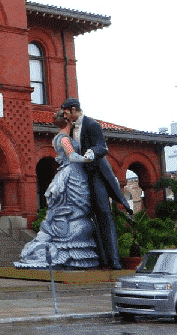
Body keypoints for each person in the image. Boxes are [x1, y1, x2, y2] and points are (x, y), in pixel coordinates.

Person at [15, 112, 100, 269]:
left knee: (74, 203)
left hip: (70, 172)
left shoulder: (59, 138)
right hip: (73, 171)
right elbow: (72, 156)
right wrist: (87, 158)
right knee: (74, 202)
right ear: (68, 122)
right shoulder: (64, 138)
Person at [61, 97, 131, 270]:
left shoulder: (92, 125)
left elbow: (103, 147)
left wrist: (92, 151)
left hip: (96, 175)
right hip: (80, 177)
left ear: (73, 110)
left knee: (103, 214)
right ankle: (97, 259)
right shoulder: (69, 131)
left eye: (65, 112)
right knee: (85, 218)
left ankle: (113, 260)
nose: (64, 116)